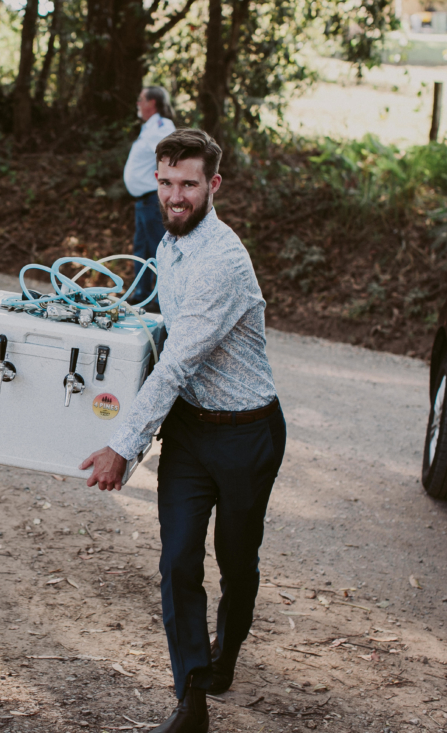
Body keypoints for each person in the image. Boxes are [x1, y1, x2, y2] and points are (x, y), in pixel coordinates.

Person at [81, 129, 286, 733]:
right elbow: (160, 332)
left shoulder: (222, 259)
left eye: (188, 184)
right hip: (191, 434)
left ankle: (227, 651)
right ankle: (190, 695)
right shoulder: (169, 244)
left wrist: (122, 447)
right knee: (177, 562)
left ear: (212, 185)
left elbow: (175, 364)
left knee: (236, 562)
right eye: (166, 182)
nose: (175, 196)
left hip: (248, 434)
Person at [123, 86, 176, 312]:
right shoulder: (148, 127)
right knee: (142, 248)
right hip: (142, 201)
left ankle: (162, 299)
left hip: (153, 200)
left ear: (152, 103)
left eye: (141, 99)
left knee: (158, 249)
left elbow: (170, 155)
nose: (138, 103)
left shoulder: (162, 126)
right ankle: (142, 294)